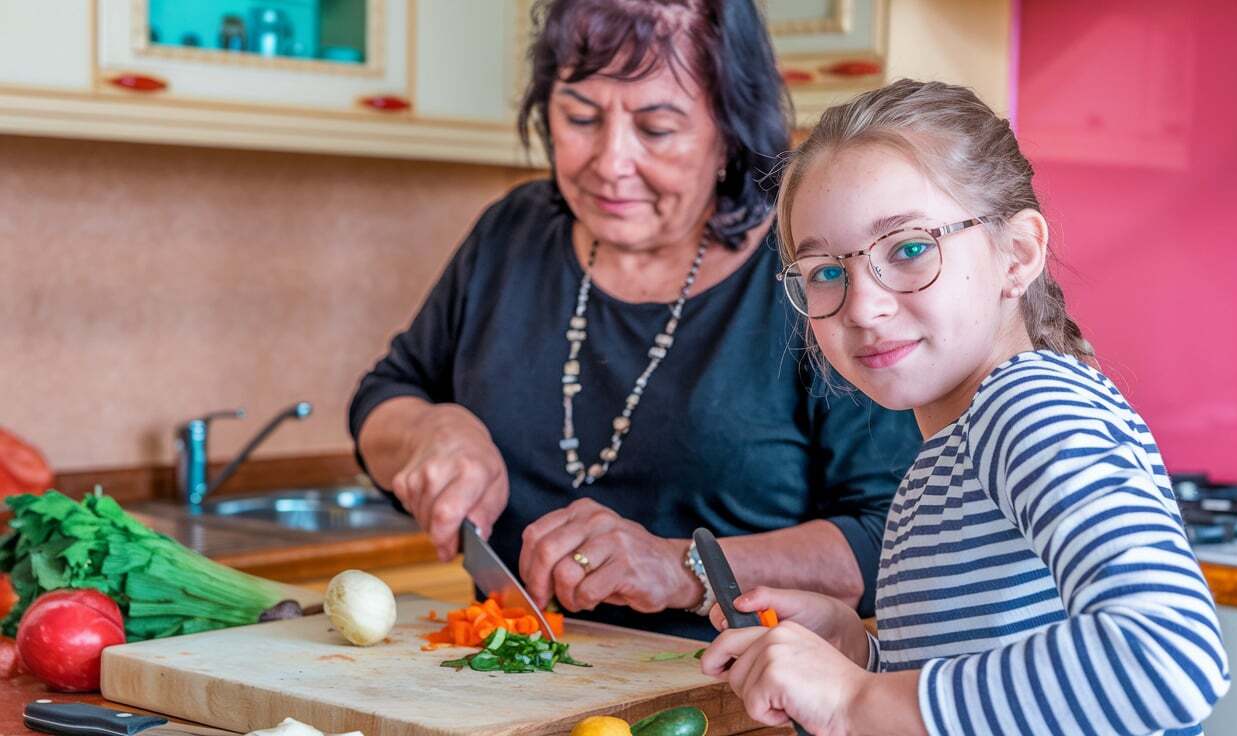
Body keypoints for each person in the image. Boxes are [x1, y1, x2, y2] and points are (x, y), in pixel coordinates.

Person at [347, 0, 921, 640]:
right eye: (581, 117)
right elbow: (384, 396)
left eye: (656, 128)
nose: (609, 162)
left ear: (729, 131)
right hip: (502, 674)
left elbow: (892, 535)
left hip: (724, 698)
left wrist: (685, 567)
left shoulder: (810, 270)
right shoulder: (512, 233)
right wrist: (434, 427)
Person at [700, 80, 1229, 734]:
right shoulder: (948, 453)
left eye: (910, 249)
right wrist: (863, 658)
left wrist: (853, 702)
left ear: (1018, 254)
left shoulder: (1029, 404)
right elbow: (989, 685)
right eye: (827, 272)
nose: (863, 306)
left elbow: (1166, 657)